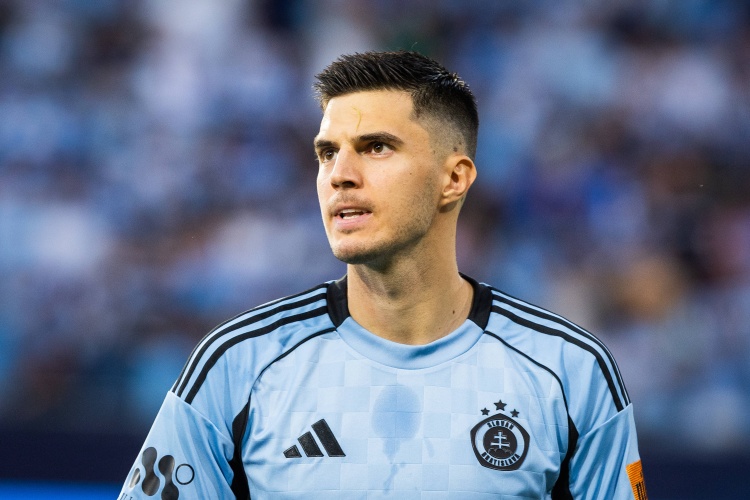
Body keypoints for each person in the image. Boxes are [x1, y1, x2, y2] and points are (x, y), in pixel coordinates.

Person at [119, 51, 647, 500]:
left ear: (453, 178)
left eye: (376, 147)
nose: (340, 175)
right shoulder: (239, 366)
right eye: (327, 153)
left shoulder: (570, 373)